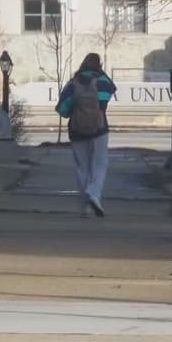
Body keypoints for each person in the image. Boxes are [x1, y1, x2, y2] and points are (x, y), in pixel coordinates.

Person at [55, 53, 117, 218]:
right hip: (99, 129)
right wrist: (102, 73)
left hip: (76, 131)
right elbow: (113, 88)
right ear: (99, 65)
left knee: (82, 167)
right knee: (100, 164)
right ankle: (94, 194)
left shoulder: (73, 83)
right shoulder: (103, 82)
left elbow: (62, 110)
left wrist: (75, 111)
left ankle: (85, 206)